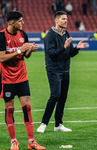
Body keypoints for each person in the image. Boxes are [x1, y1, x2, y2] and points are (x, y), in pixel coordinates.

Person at [0, 11, 45, 150]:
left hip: (22, 77)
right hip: (7, 78)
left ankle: (31, 141)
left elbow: (26, 56)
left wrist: (29, 50)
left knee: (27, 108)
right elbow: (1, 58)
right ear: (12, 22)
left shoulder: (23, 34)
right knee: (9, 110)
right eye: (20, 21)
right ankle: (13, 141)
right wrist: (20, 51)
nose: (22, 23)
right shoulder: (1, 36)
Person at [37, 11, 87, 133]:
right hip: (54, 70)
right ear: (57, 20)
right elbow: (52, 54)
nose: (66, 21)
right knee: (55, 95)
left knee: (63, 97)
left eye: (66, 19)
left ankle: (58, 124)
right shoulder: (49, 35)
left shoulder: (66, 33)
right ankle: (43, 123)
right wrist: (64, 47)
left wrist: (76, 49)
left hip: (65, 70)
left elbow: (69, 54)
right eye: (63, 19)